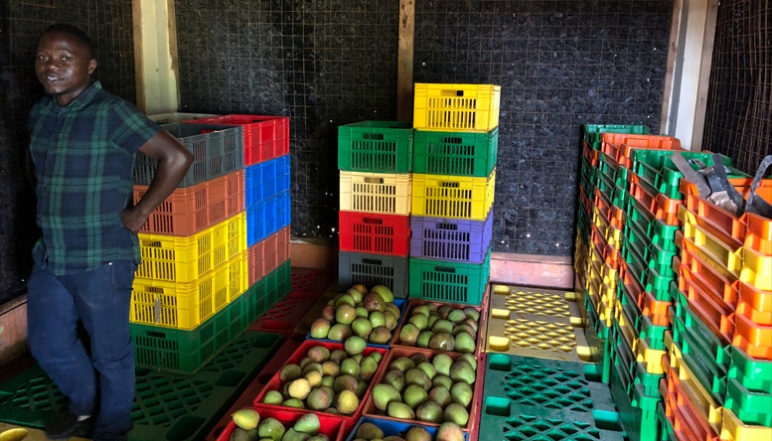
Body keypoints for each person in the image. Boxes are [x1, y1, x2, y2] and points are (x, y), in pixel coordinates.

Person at [26, 23, 193, 441]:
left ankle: (113, 427)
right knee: (48, 344)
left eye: (66, 59)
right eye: (45, 57)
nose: (52, 67)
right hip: (52, 254)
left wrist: (140, 214)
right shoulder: (40, 113)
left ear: (90, 65)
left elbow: (176, 156)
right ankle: (84, 407)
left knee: (111, 354)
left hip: (103, 257)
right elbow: (38, 172)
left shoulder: (111, 111)